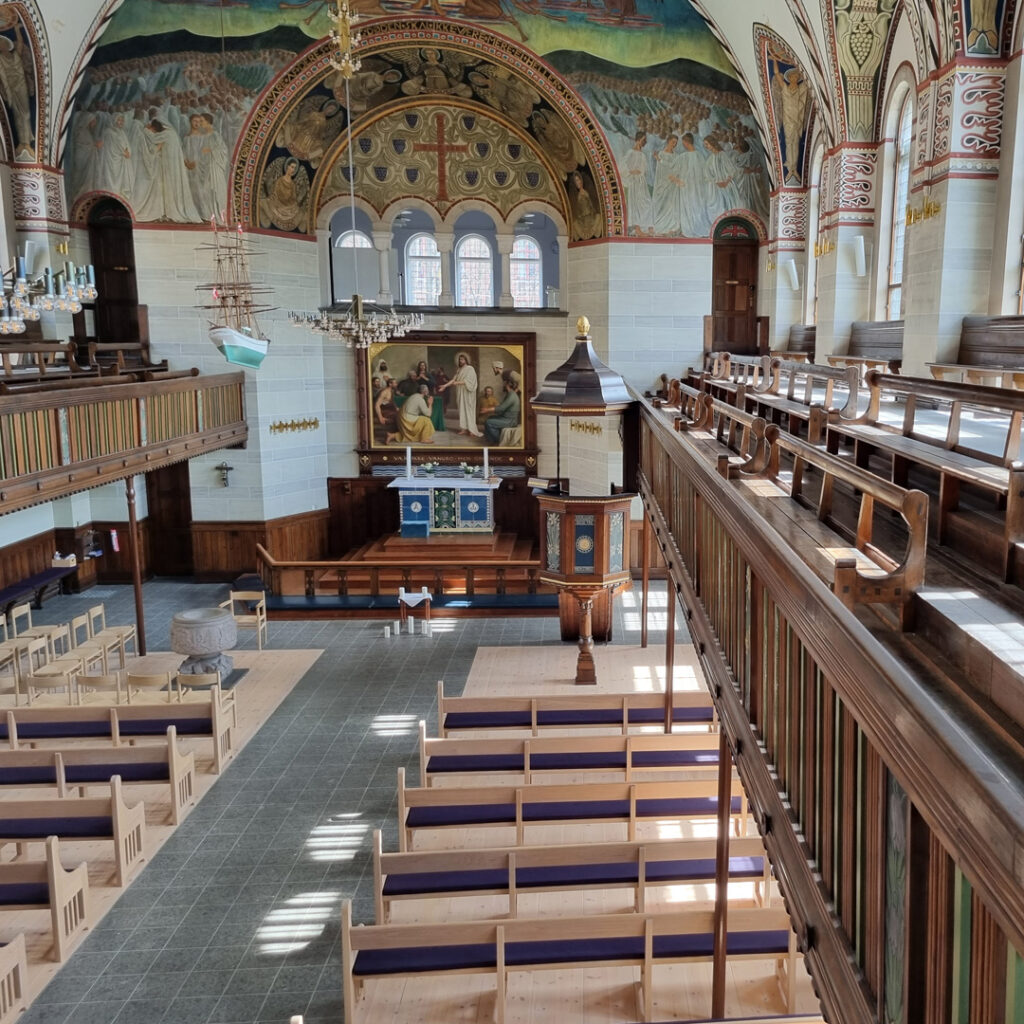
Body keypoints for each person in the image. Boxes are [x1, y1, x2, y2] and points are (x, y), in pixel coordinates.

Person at [437, 351, 482, 437]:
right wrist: (445, 386)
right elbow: (453, 380)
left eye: (462, 359)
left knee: (469, 410)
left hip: (468, 393)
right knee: (462, 410)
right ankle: (464, 429)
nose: (461, 361)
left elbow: (470, 381)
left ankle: (472, 430)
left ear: (466, 360)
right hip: (461, 392)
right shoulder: (459, 369)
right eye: (460, 359)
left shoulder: (470, 368)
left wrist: (457, 383)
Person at [484, 373, 521, 445]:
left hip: (510, 421)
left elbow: (502, 408)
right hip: (506, 418)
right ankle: (491, 441)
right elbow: (503, 407)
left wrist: (487, 410)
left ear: (507, 385)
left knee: (488, 422)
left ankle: (497, 440)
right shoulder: (510, 394)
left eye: (504, 384)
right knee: (490, 418)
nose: (503, 386)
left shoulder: (512, 395)